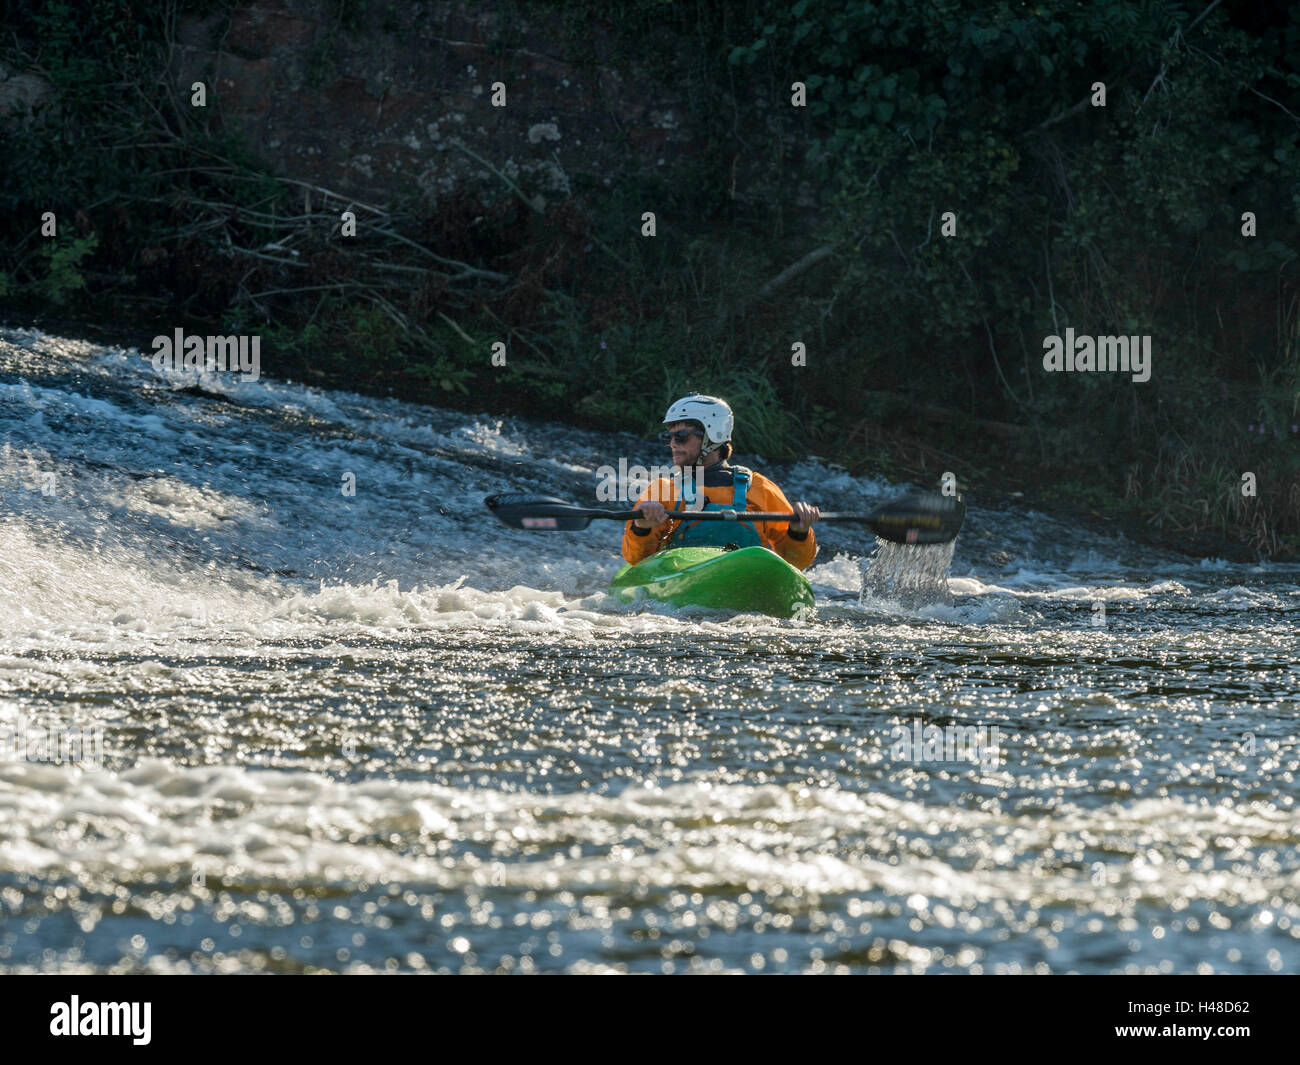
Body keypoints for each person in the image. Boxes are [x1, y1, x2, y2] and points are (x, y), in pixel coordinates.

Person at [622, 394, 820, 568]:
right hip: (681, 581)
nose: (672, 444)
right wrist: (642, 527)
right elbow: (637, 560)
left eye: (681, 436)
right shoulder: (663, 490)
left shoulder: (759, 487)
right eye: (669, 437)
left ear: (712, 437)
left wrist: (799, 532)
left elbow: (797, 563)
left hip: (746, 577)